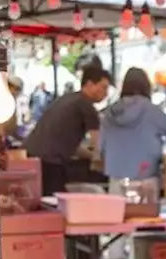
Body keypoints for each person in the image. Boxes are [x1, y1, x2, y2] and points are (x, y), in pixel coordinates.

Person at [25, 63, 111, 195]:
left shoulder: (67, 99)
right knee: (54, 203)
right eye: (103, 88)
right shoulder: (86, 106)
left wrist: (90, 156)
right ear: (89, 84)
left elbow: (69, 143)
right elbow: (98, 145)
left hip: (30, 156)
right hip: (51, 162)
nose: (106, 93)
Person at [99, 67, 166, 181]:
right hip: (147, 177)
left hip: (115, 178)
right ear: (147, 86)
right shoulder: (151, 111)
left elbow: (100, 148)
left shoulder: (109, 113)